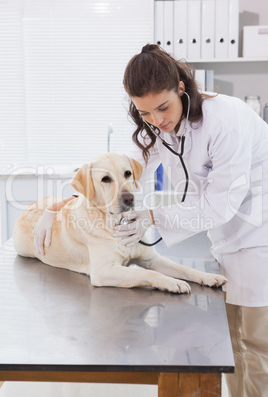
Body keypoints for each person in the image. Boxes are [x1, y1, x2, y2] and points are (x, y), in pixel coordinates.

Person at [33, 44, 268, 397]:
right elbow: (114, 174)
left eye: (163, 107)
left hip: (258, 232)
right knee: (232, 345)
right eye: (145, 113)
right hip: (226, 237)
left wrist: (152, 216)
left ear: (181, 88)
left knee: (256, 343)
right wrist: (58, 207)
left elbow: (222, 203)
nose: (157, 121)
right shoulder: (160, 128)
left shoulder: (226, 120)